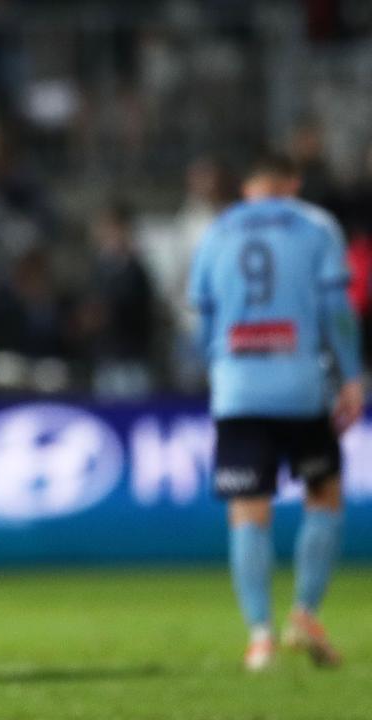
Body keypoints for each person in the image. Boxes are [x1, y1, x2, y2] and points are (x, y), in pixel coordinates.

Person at [189, 154, 364, 672]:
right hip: (300, 384)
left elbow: (202, 314)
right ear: (292, 183)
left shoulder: (217, 230)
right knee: (324, 490)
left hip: (238, 387)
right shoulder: (315, 226)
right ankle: (305, 613)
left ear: (246, 186)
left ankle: (260, 638)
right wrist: (351, 376)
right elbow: (337, 308)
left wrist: (214, 367)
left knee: (248, 506)